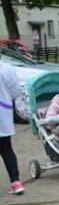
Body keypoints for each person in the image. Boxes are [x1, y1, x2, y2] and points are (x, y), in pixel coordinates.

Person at [0, 52, 24, 195]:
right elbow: (16, 91)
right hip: (2, 113)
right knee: (6, 149)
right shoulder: (7, 68)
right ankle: (16, 183)